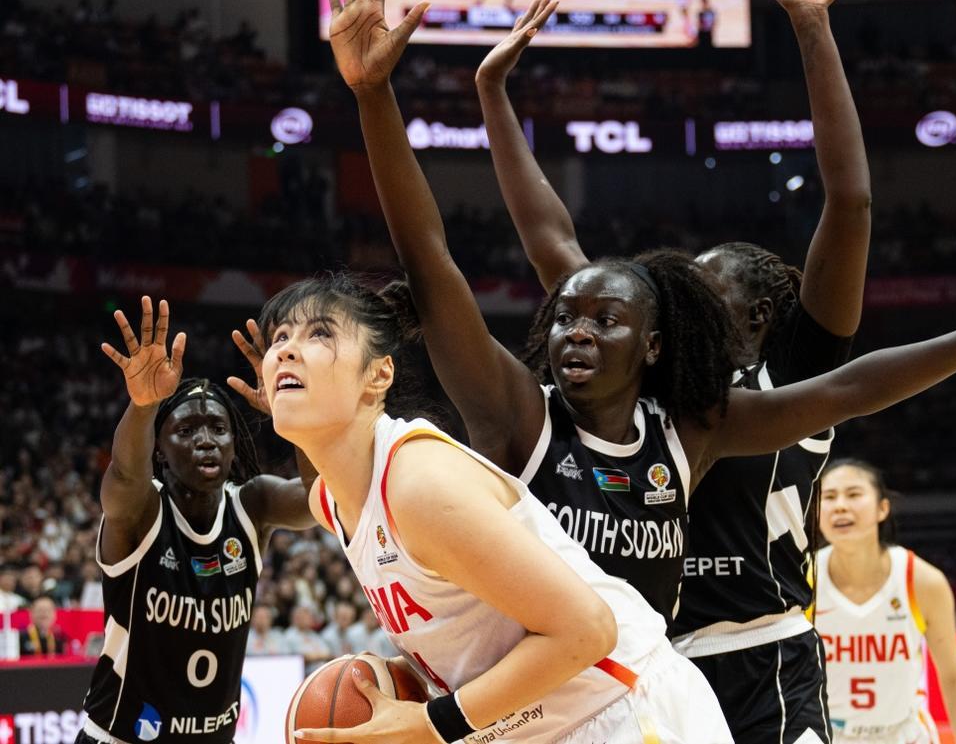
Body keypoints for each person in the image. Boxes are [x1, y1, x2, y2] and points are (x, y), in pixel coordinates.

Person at [478, 0, 867, 742]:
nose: (679, 300)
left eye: (702, 290)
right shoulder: (649, 375)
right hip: (655, 664)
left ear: (758, 315)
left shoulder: (794, 370)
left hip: (766, 656)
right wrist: (494, 96)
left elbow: (850, 202)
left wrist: (811, 27)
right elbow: (552, 241)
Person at [256, 271, 730, 742]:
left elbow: (589, 630)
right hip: (545, 727)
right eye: (280, 338)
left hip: (626, 708)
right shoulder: (332, 501)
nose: (286, 351)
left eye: (320, 334)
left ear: (379, 374)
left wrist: (433, 723)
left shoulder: (418, 484)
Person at [75, 297, 317, 744]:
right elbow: (124, 476)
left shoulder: (254, 504)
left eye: (218, 429)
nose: (206, 440)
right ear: (160, 450)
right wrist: (143, 406)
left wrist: (294, 419)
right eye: (186, 431)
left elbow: (322, 498)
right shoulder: (143, 511)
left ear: (233, 442)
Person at [815, 460, 956, 744]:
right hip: (827, 734)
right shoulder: (802, 580)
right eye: (829, 497)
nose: (840, 506)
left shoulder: (923, 581)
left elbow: (952, 678)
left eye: (853, 494)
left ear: (882, 508)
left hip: (904, 734)